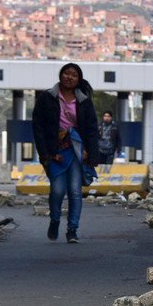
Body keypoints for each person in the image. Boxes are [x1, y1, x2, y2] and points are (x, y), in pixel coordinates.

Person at [32, 63, 99, 244]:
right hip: (55, 151)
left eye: (74, 75)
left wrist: (91, 154)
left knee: (75, 192)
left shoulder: (84, 101)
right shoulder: (47, 97)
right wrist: (46, 153)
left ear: (79, 79)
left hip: (77, 151)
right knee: (58, 190)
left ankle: (72, 230)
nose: (69, 77)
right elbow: (38, 126)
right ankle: (55, 220)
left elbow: (92, 129)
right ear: (60, 75)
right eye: (66, 73)